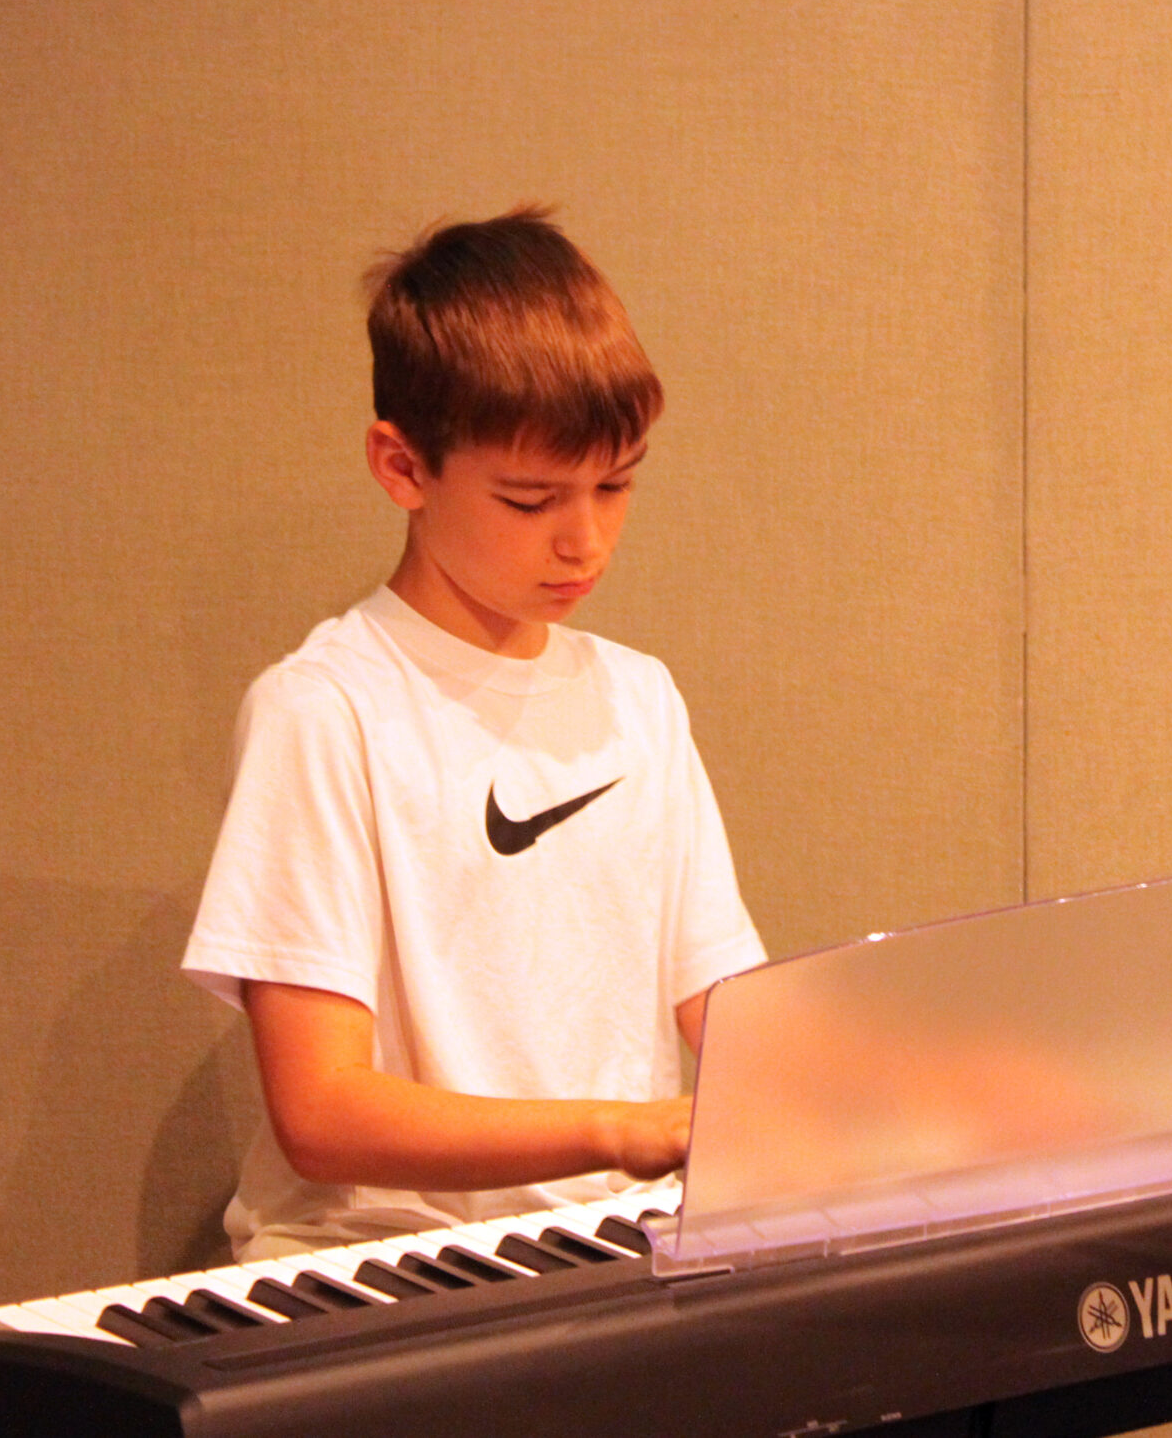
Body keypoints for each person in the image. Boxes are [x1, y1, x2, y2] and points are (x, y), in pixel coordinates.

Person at [181, 207, 766, 1263]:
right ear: (402, 467)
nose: (584, 538)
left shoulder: (640, 698)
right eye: (530, 497)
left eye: (616, 483)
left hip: (619, 1248)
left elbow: (733, 1022)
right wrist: (612, 1129)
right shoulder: (328, 708)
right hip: (379, 1262)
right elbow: (320, 1113)